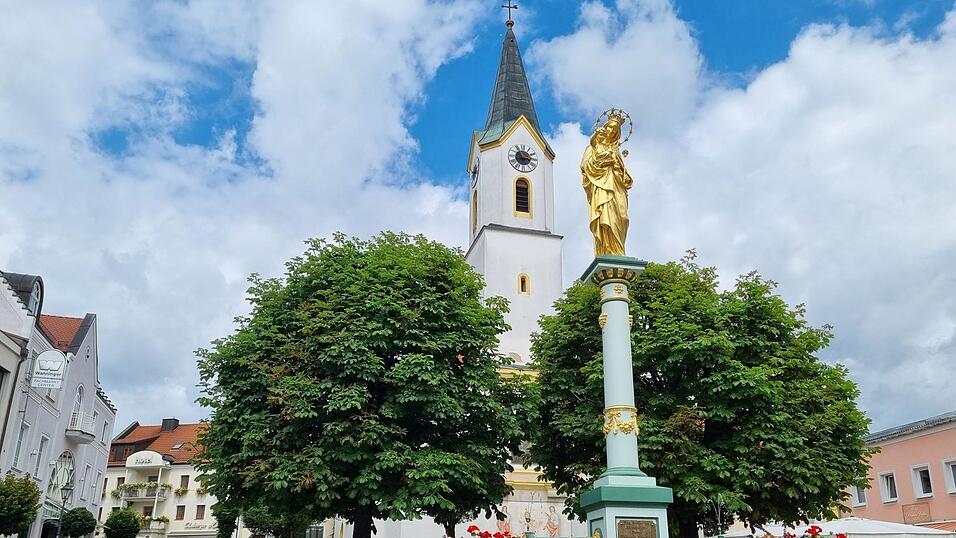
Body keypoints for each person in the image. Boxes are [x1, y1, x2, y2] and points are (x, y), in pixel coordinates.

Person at [581, 113, 633, 257]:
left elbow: (623, 175)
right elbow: (585, 166)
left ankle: (619, 250)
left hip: (617, 188)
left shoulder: (616, 151)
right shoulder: (592, 148)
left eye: (614, 129)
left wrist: (621, 172)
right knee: (605, 217)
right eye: (609, 127)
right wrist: (604, 162)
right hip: (602, 188)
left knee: (623, 217)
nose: (611, 131)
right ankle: (607, 249)